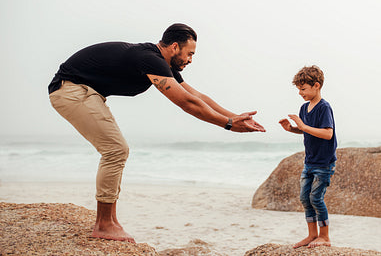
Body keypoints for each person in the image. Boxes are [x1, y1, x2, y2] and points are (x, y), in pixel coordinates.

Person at [48, 23, 266, 243]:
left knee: (116, 151)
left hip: (83, 91)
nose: (191, 59)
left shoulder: (159, 63)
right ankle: (104, 224)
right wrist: (227, 124)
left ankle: (110, 221)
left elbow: (196, 95)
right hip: (71, 90)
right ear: (174, 47)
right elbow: (186, 102)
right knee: (115, 150)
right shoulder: (149, 58)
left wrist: (235, 117)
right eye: (189, 53)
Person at [279, 65, 337, 248]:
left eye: (303, 89)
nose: (300, 93)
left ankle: (325, 237)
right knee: (305, 198)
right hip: (309, 162)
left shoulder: (324, 107)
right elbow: (309, 133)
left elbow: (328, 133)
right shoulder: (304, 108)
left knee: (316, 198)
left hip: (323, 163)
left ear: (316, 85)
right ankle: (312, 235)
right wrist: (293, 129)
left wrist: (303, 127)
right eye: (298, 89)